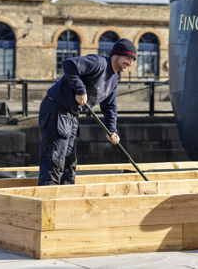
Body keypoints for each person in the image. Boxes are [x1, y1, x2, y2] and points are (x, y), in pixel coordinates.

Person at [37, 38, 137, 186]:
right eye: (127, 58)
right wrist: (80, 90)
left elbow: (109, 107)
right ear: (116, 55)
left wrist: (112, 130)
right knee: (55, 161)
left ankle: (67, 202)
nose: (130, 63)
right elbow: (68, 64)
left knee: (69, 164)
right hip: (56, 108)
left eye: (132, 60)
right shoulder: (98, 63)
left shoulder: (114, 79)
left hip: (72, 114)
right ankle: (47, 202)